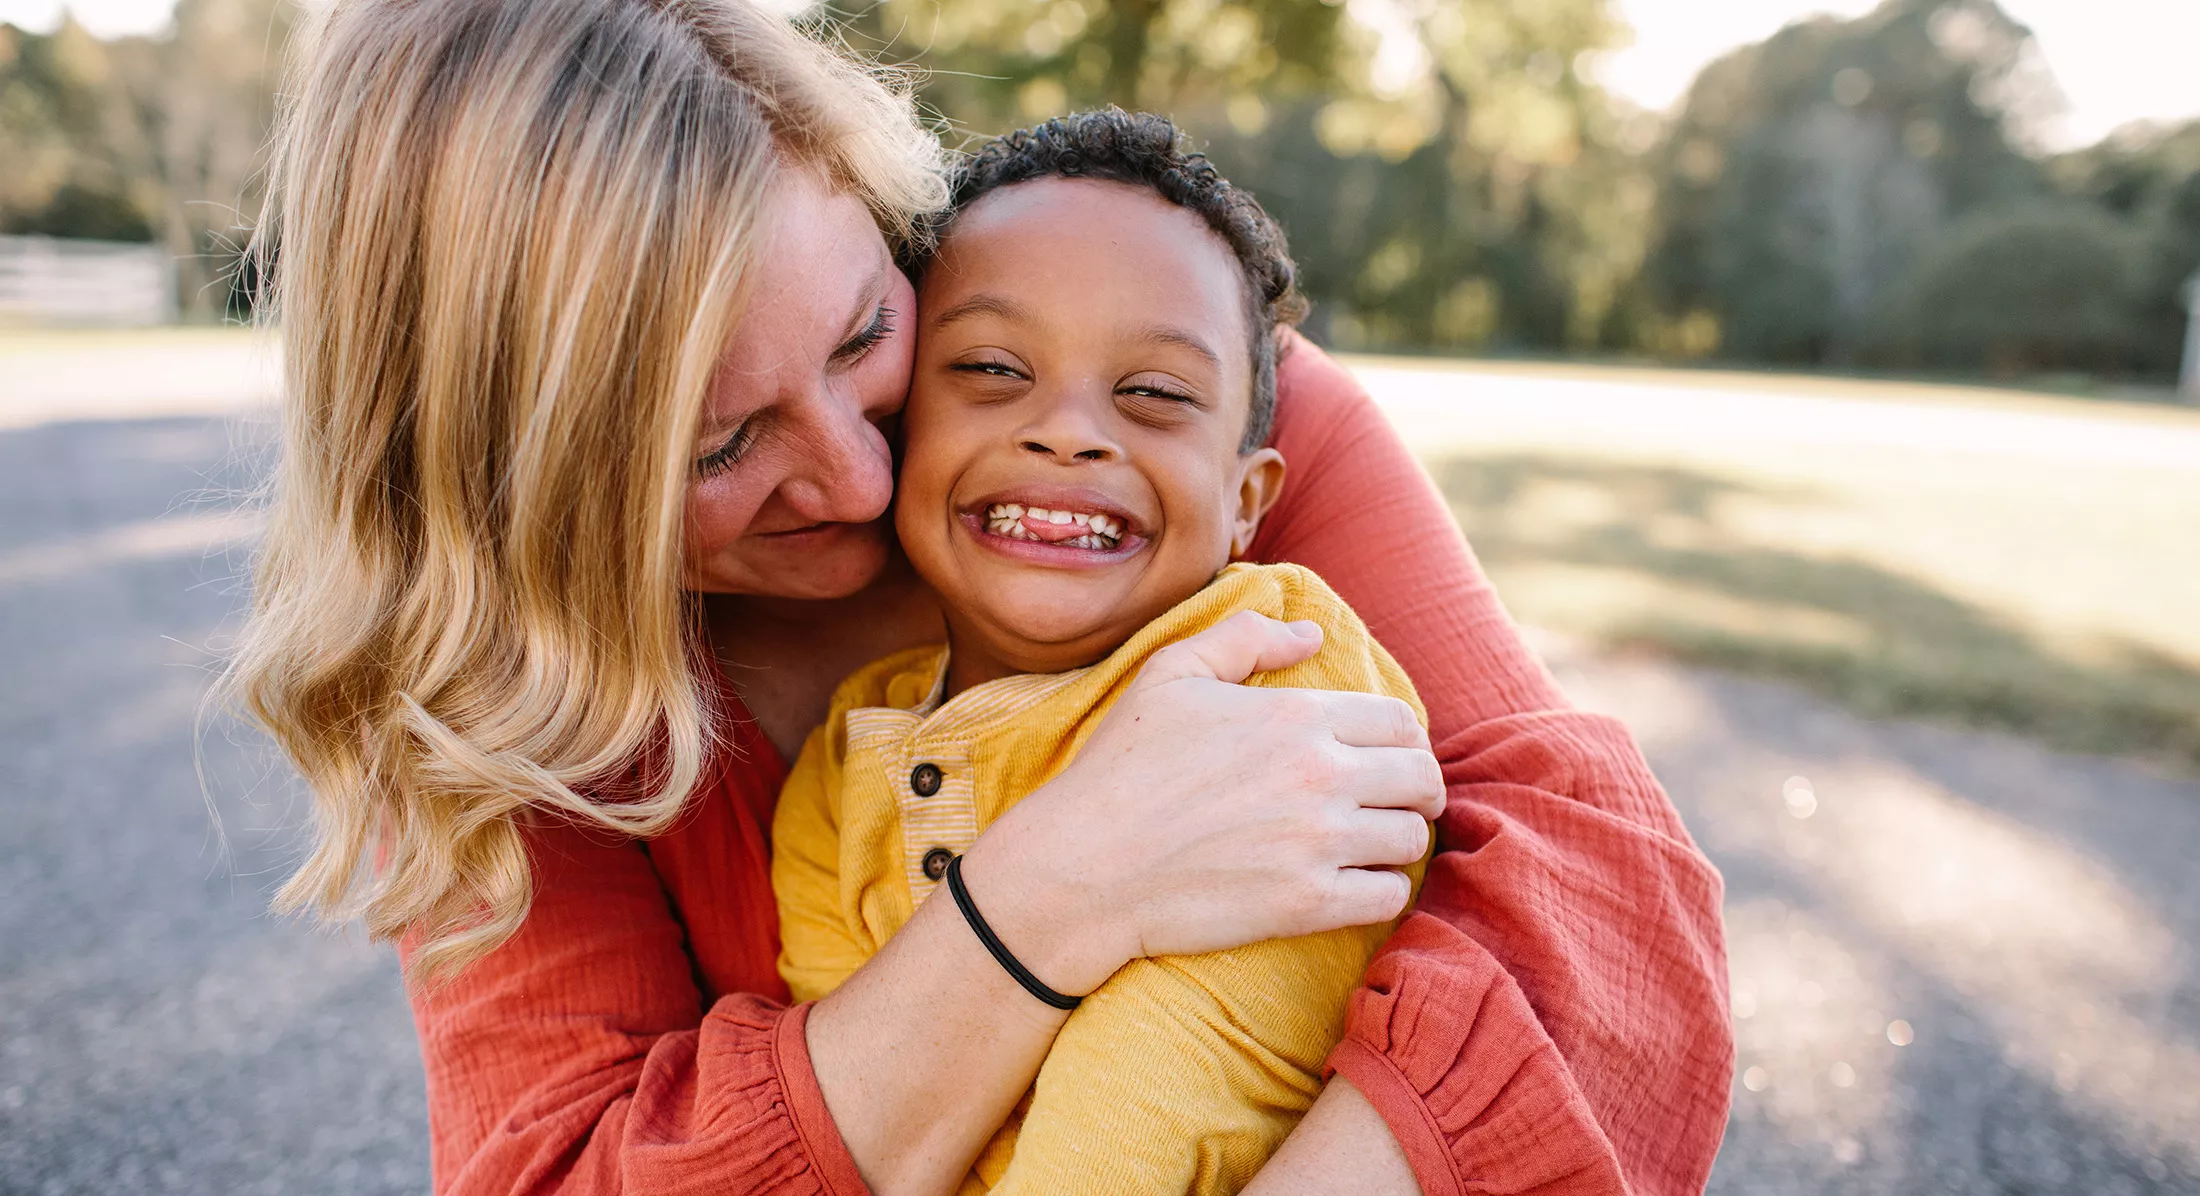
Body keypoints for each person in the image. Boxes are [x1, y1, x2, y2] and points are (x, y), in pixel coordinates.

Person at [225, 0, 1734, 1193]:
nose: (860, 481)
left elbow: (1605, 907)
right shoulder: (492, 693)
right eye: (719, 448)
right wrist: (1052, 891)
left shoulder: (1156, 413)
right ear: (511, 500)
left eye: (863, 332)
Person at [774, 110, 1432, 1193]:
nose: (1071, 429)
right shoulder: (843, 763)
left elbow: (1208, 1040)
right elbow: (844, 1093)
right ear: (897, 426)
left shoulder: (1277, 659)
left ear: (1244, 501)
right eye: (990, 367)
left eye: (1156, 394)